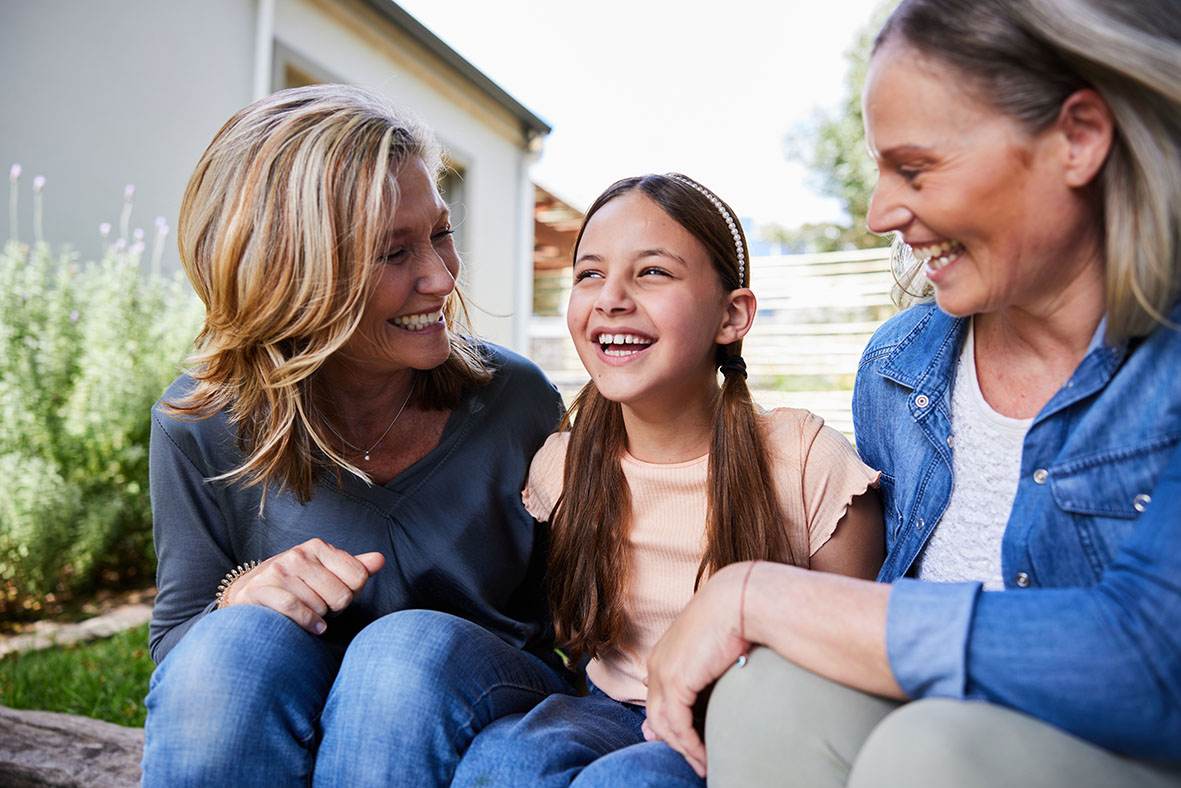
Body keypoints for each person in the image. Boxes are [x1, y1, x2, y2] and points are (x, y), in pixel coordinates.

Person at [641, 1, 1181, 785]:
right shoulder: (900, 366)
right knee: (767, 695)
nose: (878, 214)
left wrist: (756, 592)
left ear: (1079, 138)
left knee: (931, 754)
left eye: (915, 169)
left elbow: (1153, 659)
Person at [140, 84, 576, 787]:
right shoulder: (201, 423)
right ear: (291, 272)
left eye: (439, 232)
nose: (439, 277)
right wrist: (240, 595)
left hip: (489, 707)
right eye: (393, 253)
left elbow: (589, 632)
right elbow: (181, 645)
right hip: (309, 701)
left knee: (400, 658)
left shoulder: (515, 402)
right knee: (231, 648)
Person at [451, 173, 885, 787]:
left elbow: (855, 653)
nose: (611, 298)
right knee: (504, 759)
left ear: (732, 315)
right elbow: (572, 641)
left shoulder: (806, 457)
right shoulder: (561, 467)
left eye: (652, 272)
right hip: (607, 709)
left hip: (747, 731)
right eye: (589, 274)